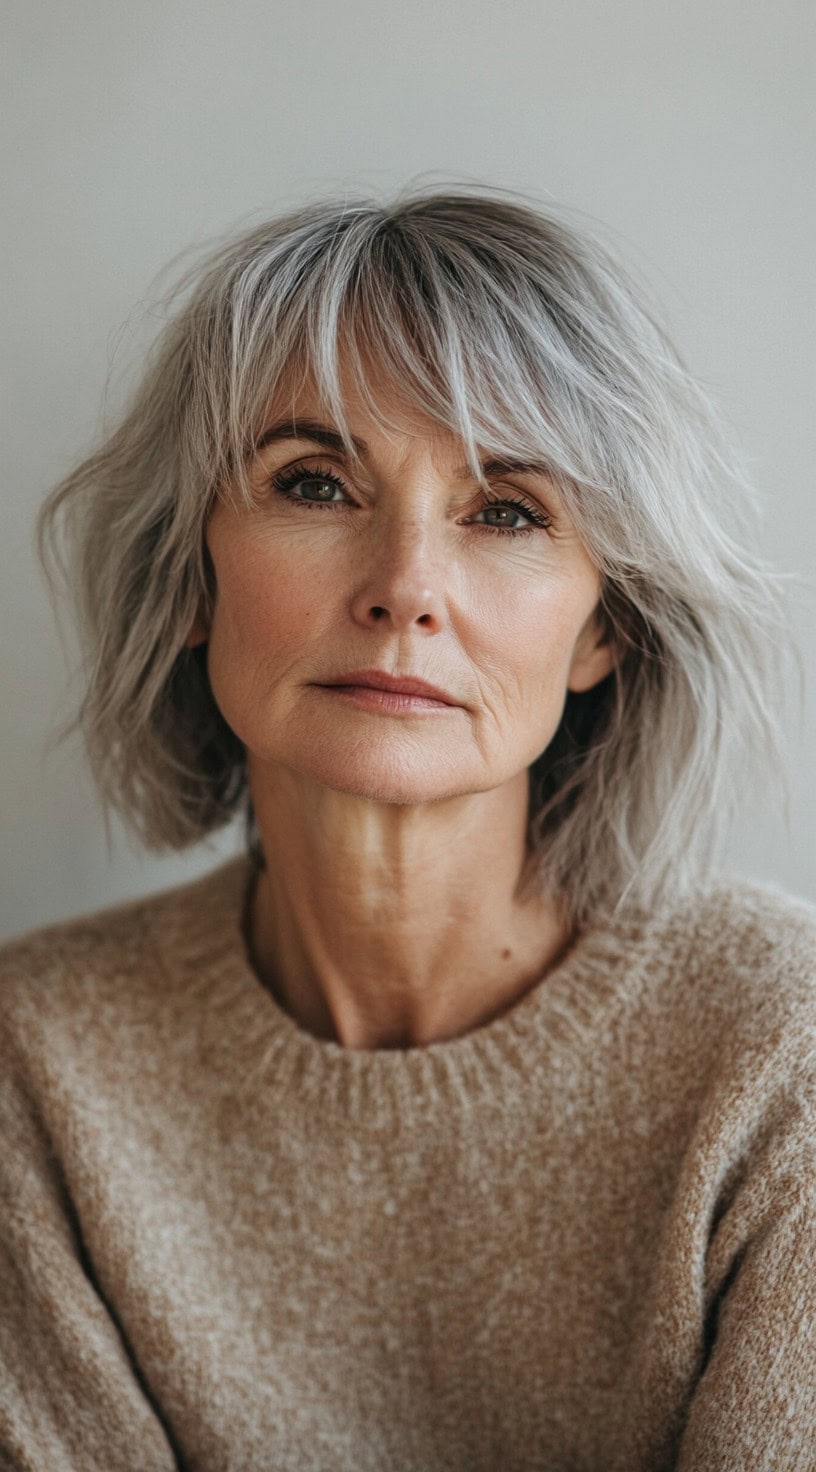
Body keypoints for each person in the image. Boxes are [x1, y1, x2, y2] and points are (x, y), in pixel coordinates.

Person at [1, 185, 814, 1472]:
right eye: (315, 482)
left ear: (606, 627)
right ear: (190, 575)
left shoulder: (784, 1048)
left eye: (505, 512)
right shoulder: (34, 1068)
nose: (404, 591)